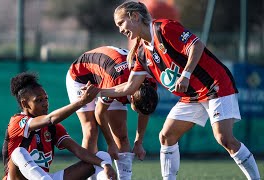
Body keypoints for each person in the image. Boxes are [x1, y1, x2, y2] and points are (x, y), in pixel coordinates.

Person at [99, 1, 261, 180]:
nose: (120, 29)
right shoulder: (141, 53)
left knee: (225, 139)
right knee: (166, 136)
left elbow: (197, 46)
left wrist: (186, 75)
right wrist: (99, 92)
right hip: (191, 96)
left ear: (135, 16)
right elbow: (130, 86)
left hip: (215, 85)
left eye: (121, 23)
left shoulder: (164, 28)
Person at [2, 72, 117, 180]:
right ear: (25, 104)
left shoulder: (53, 128)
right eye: (39, 100)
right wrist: (81, 102)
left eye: (46, 98)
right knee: (18, 152)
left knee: (102, 157)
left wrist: (104, 164)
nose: (45, 103)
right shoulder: (17, 122)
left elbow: (78, 150)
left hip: (46, 177)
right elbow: (50, 118)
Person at [66, 46, 158, 180]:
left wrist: (138, 143)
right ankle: (88, 176)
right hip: (81, 75)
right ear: (131, 97)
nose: (140, 114)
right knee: (91, 130)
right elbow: (100, 113)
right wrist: (110, 144)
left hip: (113, 73)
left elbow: (145, 112)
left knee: (121, 134)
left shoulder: (150, 84)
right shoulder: (114, 83)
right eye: (137, 110)